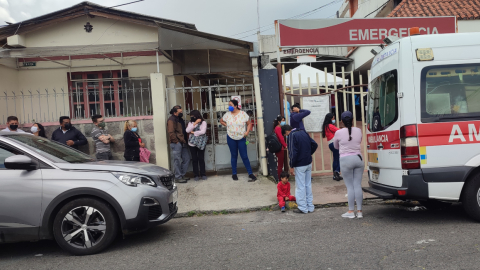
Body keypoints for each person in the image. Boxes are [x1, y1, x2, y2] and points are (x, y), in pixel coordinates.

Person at [334, 111, 364, 219]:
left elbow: (336, 146)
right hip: (358, 158)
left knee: (350, 186)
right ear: (352, 120)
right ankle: (359, 211)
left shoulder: (338, 132)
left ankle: (351, 211)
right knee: (357, 185)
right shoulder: (358, 130)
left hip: (345, 160)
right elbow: (359, 141)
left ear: (341, 121)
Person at [282, 124, 318, 214]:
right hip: (308, 162)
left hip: (299, 164)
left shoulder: (291, 136)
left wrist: (292, 166)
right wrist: (308, 154)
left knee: (300, 186)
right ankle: (310, 206)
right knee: (308, 185)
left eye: (285, 135)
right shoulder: (303, 132)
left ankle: (302, 208)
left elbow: (293, 153)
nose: (286, 136)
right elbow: (314, 144)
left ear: (286, 132)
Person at [220, 100, 257, 182]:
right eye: (229, 105)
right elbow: (221, 121)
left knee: (244, 156)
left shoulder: (243, 114)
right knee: (234, 156)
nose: (229, 106)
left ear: (236, 106)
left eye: (230, 105)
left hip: (241, 138)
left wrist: (247, 132)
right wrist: (227, 125)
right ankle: (234, 174)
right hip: (230, 137)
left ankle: (250, 173)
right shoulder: (227, 115)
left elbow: (249, 124)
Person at [168, 105, 190, 183]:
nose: (181, 113)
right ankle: (178, 177)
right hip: (176, 143)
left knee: (186, 158)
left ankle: (182, 175)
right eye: (180, 112)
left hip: (182, 142)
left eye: (181, 111)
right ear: (175, 112)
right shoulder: (172, 119)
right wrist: (176, 141)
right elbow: (171, 132)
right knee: (177, 160)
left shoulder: (179, 119)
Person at [185, 110, 207, 181]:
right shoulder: (191, 123)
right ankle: (196, 175)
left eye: (193, 116)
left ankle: (203, 174)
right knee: (194, 159)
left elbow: (203, 131)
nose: (192, 117)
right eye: (191, 116)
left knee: (201, 158)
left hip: (201, 143)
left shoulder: (203, 122)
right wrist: (195, 123)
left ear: (197, 116)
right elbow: (187, 131)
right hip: (192, 143)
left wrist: (193, 132)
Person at [322, 113, 343, 181]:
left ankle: (335, 174)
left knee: (336, 158)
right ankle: (337, 172)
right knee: (339, 158)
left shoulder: (325, 126)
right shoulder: (330, 126)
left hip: (330, 144)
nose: (334, 120)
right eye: (333, 118)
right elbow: (339, 131)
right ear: (330, 119)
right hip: (335, 143)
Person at [273, 115, 288, 180]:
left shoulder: (278, 128)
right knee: (280, 165)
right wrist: (285, 145)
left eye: (284, 120)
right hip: (280, 148)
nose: (284, 122)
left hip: (279, 147)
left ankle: (281, 178)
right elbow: (281, 138)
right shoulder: (278, 128)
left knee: (280, 164)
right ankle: (280, 179)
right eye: (282, 120)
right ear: (279, 122)